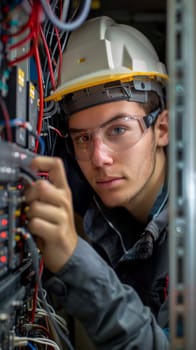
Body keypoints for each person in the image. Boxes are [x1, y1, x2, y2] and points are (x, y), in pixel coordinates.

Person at [25, 16, 170, 349]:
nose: (99, 157)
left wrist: (76, 261)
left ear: (162, 129)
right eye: (83, 138)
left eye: (118, 130)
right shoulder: (99, 212)